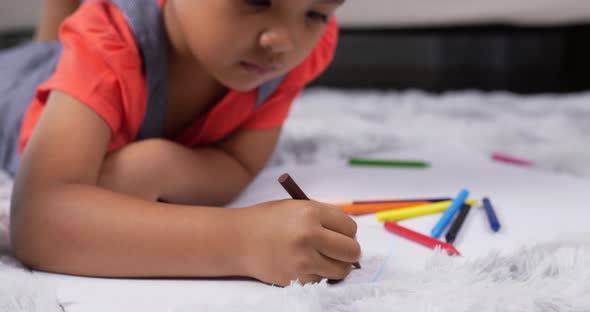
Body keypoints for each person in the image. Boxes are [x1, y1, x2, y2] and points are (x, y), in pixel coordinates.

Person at [1, 0, 361, 287]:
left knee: (53, 50)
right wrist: (241, 241)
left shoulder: (289, 58)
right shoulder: (108, 40)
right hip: (18, 82)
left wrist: (166, 163)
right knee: (45, 58)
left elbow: (240, 162)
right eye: (255, 1)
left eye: (315, 13)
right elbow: (37, 221)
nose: (284, 40)